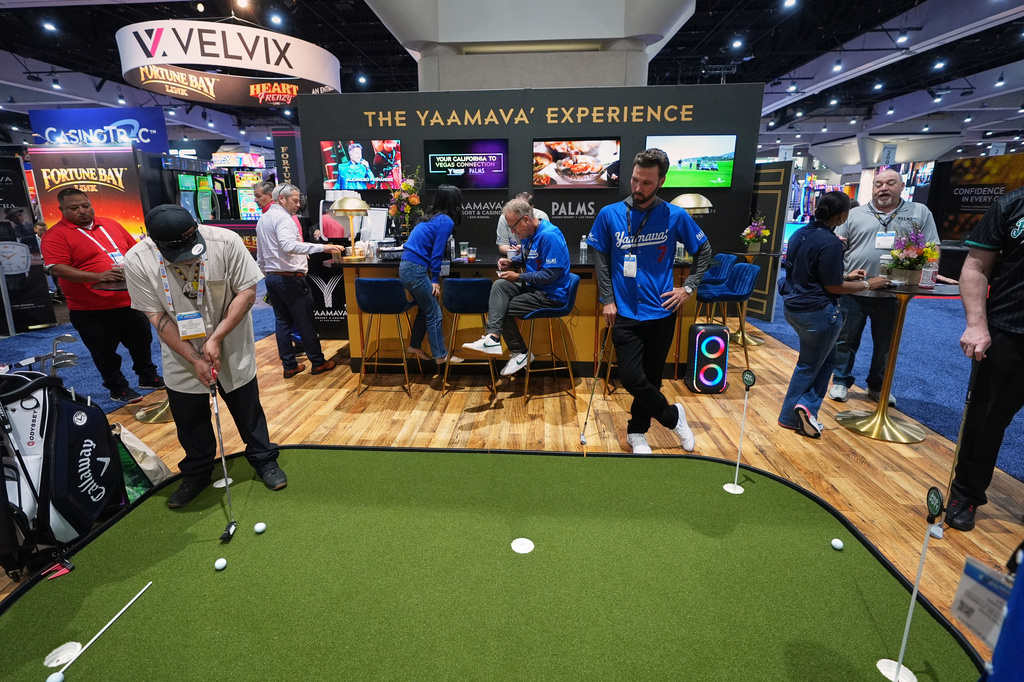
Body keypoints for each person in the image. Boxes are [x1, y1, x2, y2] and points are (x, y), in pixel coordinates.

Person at [124, 204, 287, 508]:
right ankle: (197, 474)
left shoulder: (225, 242)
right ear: (156, 244)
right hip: (180, 354)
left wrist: (216, 339)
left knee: (247, 408)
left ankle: (264, 460)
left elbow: (247, 293)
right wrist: (194, 357)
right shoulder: (137, 260)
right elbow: (155, 315)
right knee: (190, 417)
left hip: (231, 342)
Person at [588, 148, 712, 454]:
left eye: (646, 183)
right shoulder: (610, 214)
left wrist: (688, 287)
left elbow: (705, 252)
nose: (638, 188)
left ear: (661, 181)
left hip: (661, 311)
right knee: (631, 377)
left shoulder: (674, 215)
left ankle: (637, 432)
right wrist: (607, 298)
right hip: (625, 312)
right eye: (634, 180)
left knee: (652, 377)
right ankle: (673, 417)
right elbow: (601, 259)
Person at [777, 192, 889, 438]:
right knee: (809, 364)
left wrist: (846, 276)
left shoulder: (799, 234)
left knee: (826, 361)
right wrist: (870, 284)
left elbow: (807, 272)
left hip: (793, 307)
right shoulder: (830, 242)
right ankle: (790, 416)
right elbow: (833, 287)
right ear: (843, 215)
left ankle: (806, 408)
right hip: (818, 312)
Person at [946, 185, 1024, 531]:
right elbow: (976, 267)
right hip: (1010, 331)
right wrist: (977, 324)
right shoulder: (1012, 204)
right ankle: (966, 493)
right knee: (986, 421)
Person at [828, 169, 939, 408]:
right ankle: (840, 381)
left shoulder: (919, 212)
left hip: (895, 293)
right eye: (878, 184)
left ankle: (878, 386)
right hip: (855, 290)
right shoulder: (855, 214)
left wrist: (931, 274)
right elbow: (835, 247)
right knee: (845, 339)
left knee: (886, 344)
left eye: (890, 183)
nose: (883, 188)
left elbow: (932, 247)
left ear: (901, 187)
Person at [40, 188, 163, 404]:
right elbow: (57, 268)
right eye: (74, 208)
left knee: (142, 341)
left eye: (85, 206)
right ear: (61, 209)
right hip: (91, 309)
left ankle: (148, 376)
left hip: (130, 300)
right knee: (104, 352)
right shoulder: (55, 235)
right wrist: (98, 275)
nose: (82, 211)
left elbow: (134, 251)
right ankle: (118, 387)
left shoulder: (111, 224)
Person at [463, 197, 573, 376]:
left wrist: (518, 276)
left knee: (502, 307)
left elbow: (549, 275)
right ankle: (492, 338)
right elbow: (528, 258)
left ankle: (521, 352)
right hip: (534, 288)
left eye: (514, 227)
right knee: (500, 286)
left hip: (551, 295)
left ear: (526, 219)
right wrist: (512, 261)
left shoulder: (549, 235)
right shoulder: (529, 234)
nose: (513, 232)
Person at [256, 183, 344, 378]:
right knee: (305, 322)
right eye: (295, 200)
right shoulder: (284, 219)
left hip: (272, 278)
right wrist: (324, 247)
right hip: (290, 279)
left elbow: (260, 255)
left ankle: (289, 365)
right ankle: (318, 362)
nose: (298, 205)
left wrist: (268, 275)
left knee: (282, 322)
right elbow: (288, 245)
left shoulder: (263, 219)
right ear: (281, 198)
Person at [400, 185, 462, 364]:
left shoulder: (428, 219)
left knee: (425, 309)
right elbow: (437, 253)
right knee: (435, 313)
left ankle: (415, 344)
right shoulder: (445, 221)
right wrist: (435, 279)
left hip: (406, 267)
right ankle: (441, 355)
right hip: (415, 270)